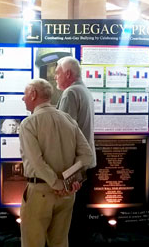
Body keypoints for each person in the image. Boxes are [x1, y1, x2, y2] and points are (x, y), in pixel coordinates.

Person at [19, 78, 93, 247]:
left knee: (32, 243)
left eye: (25, 94)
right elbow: (87, 156)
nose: (23, 98)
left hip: (40, 193)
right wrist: (69, 182)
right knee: (60, 243)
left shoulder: (29, 123)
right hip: (67, 195)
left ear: (33, 94)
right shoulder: (68, 120)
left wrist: (57, 184)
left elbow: (37, 162)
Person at [54, 56, 96, 246]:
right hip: (85, 163)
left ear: (68, 74)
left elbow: (64, 135)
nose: (55, 76)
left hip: (74, 166)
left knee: (70, 219)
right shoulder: (84, 90)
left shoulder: (70, 93)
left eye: (58, 72)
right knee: (80, 217)